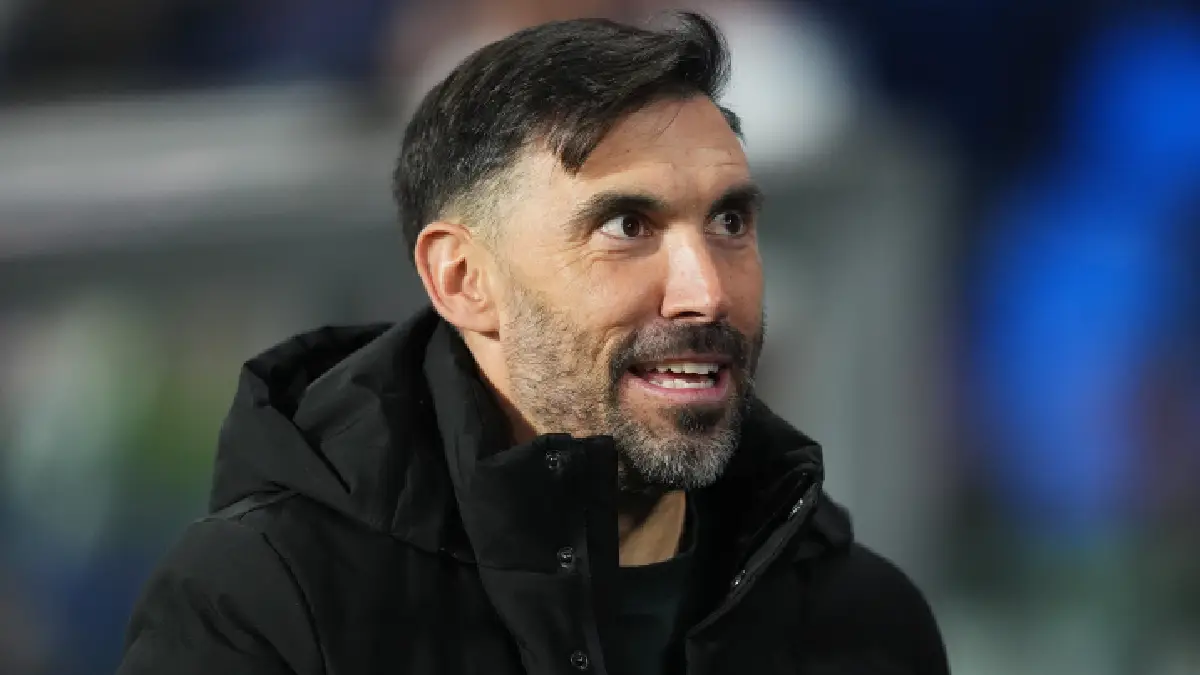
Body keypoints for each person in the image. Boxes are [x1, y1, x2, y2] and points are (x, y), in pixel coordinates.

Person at [117, 12, 949, 675]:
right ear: (462, 278)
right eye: (627, 226)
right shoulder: (261, 609)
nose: (707, 290)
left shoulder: (861, 620)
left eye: (730, 220)